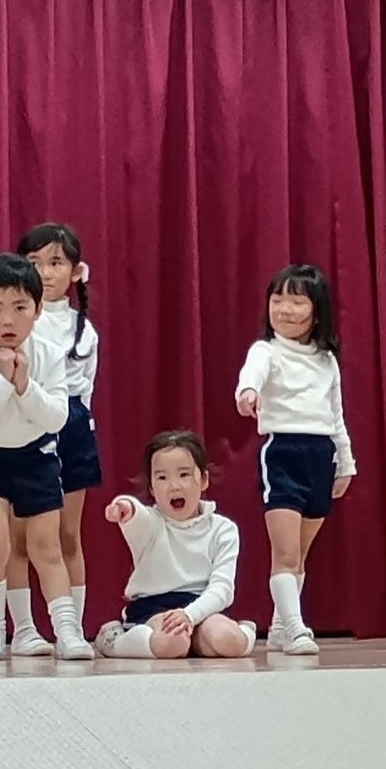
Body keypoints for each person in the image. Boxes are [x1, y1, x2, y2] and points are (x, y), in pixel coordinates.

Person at [0, 253, 91, 662]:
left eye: (19, 307)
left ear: (37, 309)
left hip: (36, 456)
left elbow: (56, 417)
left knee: (47, 547)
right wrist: (1, 380)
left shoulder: (48, 353)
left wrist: (24, 384)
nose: (7, 320)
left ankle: (67, 632)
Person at [236, 264, 353, 656]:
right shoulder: (266, 351)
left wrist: (345, 463)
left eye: (297, 301)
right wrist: (248, 393)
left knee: (299, 555)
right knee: (285, 553)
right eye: (277, 299)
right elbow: (251, 375)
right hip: (283, 453)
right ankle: (297, 628)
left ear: (316, 312)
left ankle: (281, 625)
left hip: (321, 456)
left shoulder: (326, 361)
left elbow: (337, 416)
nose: (284, 309)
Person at [6, 222, 102, 655]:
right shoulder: (16, 319)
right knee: (19, 535)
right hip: (22, 423)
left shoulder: (85, 330)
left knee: (66, 535)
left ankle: (71, 629)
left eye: (56, 263)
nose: (45, 272)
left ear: (76, 271)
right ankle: (24, 629)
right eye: (34, 262)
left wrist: (78, 426)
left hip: (72, 426)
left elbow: (87, 389)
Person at [94, 431, 254, 660]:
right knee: (172, 643)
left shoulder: (223, 529)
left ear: (204, 479)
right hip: (153, 608)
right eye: (162, 478)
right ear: (151, 488)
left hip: (201, 607)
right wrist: (123, 505)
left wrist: (189, 615)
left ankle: (243, 630)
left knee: (228, 640)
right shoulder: (152, 523)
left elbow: (222, 589)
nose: (174, 486)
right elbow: (135, 514)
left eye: (184, 474)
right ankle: (113, 640)